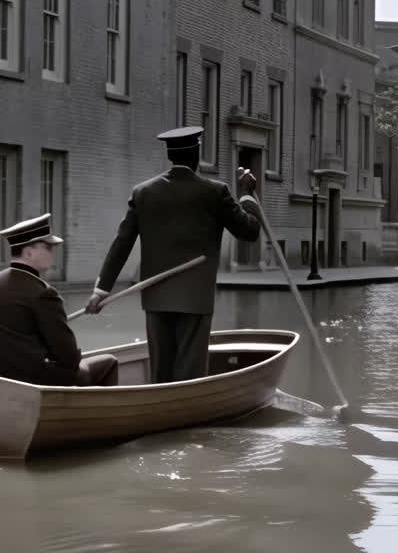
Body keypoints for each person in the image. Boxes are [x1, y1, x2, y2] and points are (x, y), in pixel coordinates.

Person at [85, 126, 265, 383]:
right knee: (190, 374)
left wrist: (101, 290)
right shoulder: (215, 192)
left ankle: (163, 411)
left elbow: (122, 243)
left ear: (171, 156)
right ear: (197, 154)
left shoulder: (143, 192)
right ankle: (188, 415)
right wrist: (247, 195)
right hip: (195, 300)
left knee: (162, 373)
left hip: (156, 298)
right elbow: (249, 232)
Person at [0, 213, 119, 387]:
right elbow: (69, 357)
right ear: (28, 252)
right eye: (47, 247)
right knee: (109, 362)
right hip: (30, 382)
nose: (52, 252)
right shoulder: (43, 293)